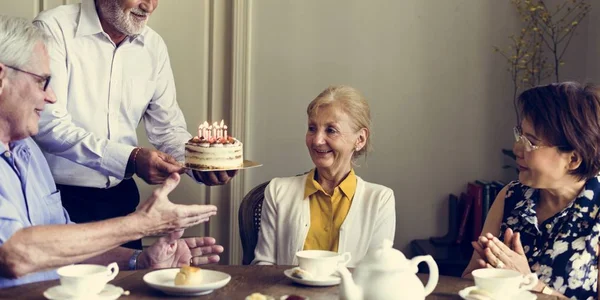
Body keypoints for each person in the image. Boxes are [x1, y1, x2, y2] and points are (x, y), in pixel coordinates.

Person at [0, 15, 222, 288]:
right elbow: (15, 254)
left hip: (114, 203)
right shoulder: (56, 28)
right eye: (42, 82)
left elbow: (67, 247)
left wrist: (140, 260)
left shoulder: (28, 154)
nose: (51, 96)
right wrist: (140, 223)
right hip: (73, 196)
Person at [32, 0, 236, 249]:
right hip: (58, 200)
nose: (149, 5)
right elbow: (48, 123)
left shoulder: (153, 46)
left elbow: (168, 128)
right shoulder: (54, 28)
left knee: (128, 285)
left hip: (122, 201)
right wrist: (131, 159)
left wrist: (201, 163)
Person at [462, 82, 600, 299]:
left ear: (573, 159)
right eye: (520, 135)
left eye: (531, 142)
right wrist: (484, 276)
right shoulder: (511, 196)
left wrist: (528, 282)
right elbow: (469, 277)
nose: (517, 148)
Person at [252, 85, 396, 267]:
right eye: (312, 128)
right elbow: (263, 266)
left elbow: (376, 273)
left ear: (359, 139)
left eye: (331, 130)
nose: (317, 140)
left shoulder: (380, 200)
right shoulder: (277, 191)